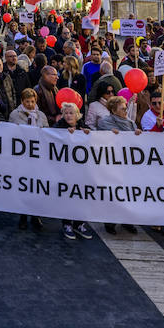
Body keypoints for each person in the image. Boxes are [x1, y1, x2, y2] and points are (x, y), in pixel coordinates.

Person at [51, 101, 94, 241]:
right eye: (66, 113)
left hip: (82, 171)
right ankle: (67, 224)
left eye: (71, 113)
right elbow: (51, 138)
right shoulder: (59, 127)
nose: (69, 116)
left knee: (81, 196)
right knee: (67, 195)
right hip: (65, 171)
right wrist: (63, 134)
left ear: (77, 115)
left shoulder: (83, 127)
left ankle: (79, 223)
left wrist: (89, 134)